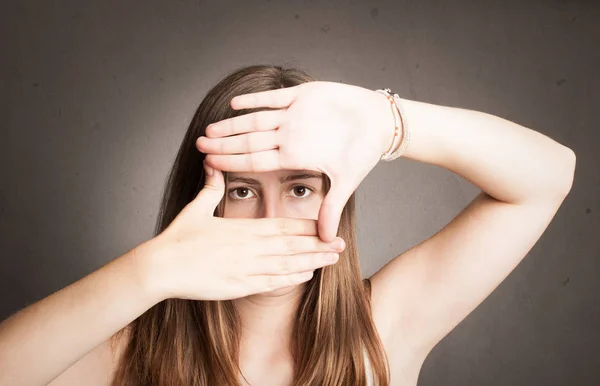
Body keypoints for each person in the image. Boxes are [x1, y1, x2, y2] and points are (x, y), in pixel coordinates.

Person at [0, 64, 576, 386]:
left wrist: (388, 121)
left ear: (339, 199)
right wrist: (148, 272)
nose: (270, 221)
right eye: (244, 190)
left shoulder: (385, 328)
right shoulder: (130, 350)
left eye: (300, 189)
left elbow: (548, 175)